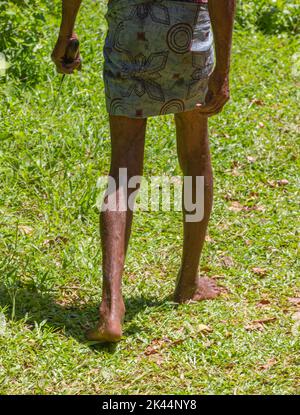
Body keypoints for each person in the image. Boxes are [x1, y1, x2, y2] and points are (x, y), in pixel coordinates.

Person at [52, 0, 236, 343]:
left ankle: (111, 307)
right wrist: (222, 70)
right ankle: (188, 283)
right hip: (187, 34)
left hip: (129, 31)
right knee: (195, 154)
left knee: (123, 166)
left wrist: (67, 31)